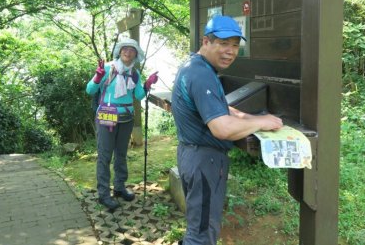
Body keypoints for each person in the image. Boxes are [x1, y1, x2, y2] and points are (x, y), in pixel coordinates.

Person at [171, 15, 283, 244]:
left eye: (235, 45)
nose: (230, 51)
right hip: (204, 160)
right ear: (206, 41)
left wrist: (249, 117)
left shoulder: (195, 65)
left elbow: (219, 108)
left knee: (198, 226)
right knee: (201, 235)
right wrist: (261, 123)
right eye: (223, 43)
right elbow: (221, 128)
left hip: (193, 155)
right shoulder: (201, 74)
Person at [86, 38, 158, 211]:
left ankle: (119, 187)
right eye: (125, 49)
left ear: (135, 54)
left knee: (121, 154)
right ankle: (104, 194)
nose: (128, 52)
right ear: (120, 51)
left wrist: (147, 83)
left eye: (131, 50)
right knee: (105, 155)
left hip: (126, 117)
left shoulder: (134, 73)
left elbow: (139, 95)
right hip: (107, 114)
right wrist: (98, 77)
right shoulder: (108, 68)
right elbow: (89, 90)